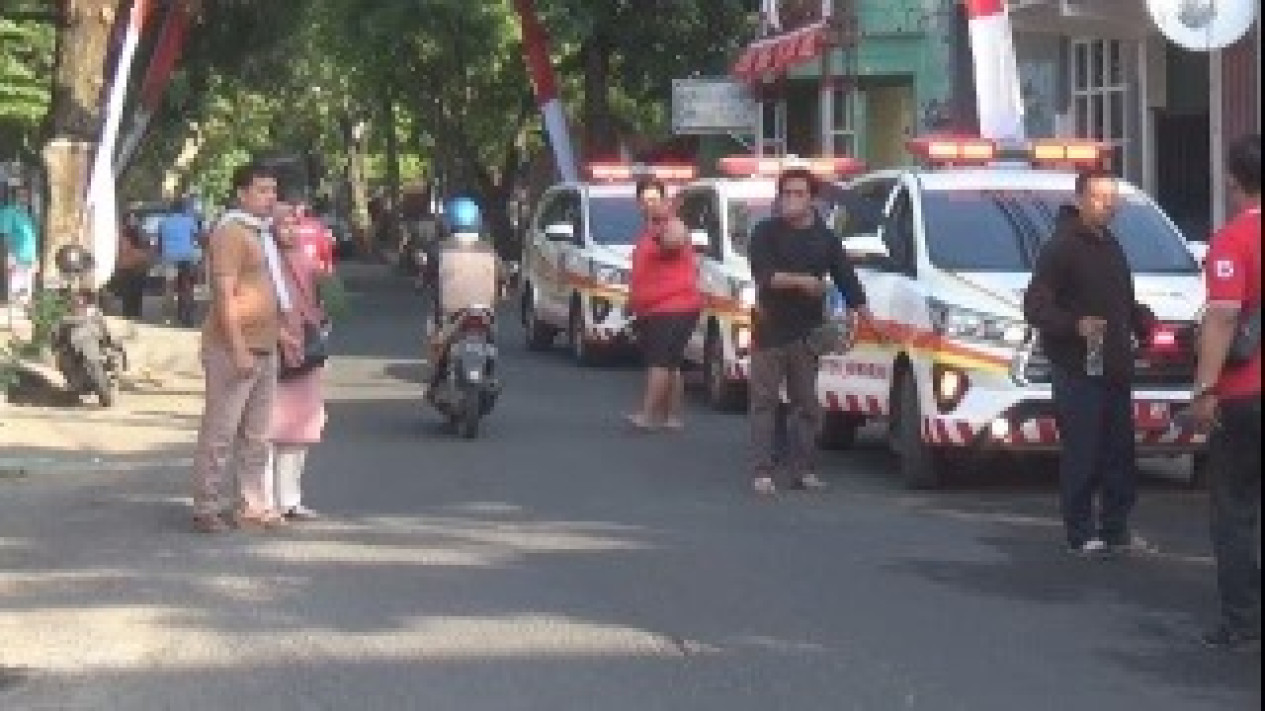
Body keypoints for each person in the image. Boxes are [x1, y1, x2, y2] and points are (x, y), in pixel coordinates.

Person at [1023, 168, 1157, 557]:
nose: (1108, 205)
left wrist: (1139, 319)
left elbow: (1119, 299)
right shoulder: (1061, 246)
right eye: (1099, 197)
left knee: (1119, 451)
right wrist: (1074, 325)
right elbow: (1036, 306)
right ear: (1080, 199)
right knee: (1083, 450)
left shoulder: (1110, 243)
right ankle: (1080, 532)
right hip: (1077, 365)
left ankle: (1116, 527)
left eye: (1112, 198)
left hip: (1113, 363)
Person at [747, 167, 871, 495]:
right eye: (785, 193)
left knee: (806, 405)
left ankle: (803, 470)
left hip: (807, 334)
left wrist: (866, 315)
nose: (790, 200)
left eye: (798, 194)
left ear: (812, 199)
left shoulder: (826, 240)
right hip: (768, 329)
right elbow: (766, 276)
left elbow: (847, 279)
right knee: (764, 402)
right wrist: (803, 282)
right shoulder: (764, 233)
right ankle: (762, 471)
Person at [190, 161, 294, 533]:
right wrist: (237, 348)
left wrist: (281, 332)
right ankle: (207, 505)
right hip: (232, 347)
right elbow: (224, 294)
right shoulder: (231, 233)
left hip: (264, 346)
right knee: (221, 430)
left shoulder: (261, 233)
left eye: (273, 191)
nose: (270, 198)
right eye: (262, 191)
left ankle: (252, 504)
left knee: (258, 434)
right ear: (242, 194)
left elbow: (266, 289)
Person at [1187, 134, 1260, 652]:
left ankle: (1241, 621)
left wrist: (1204, 389)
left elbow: (1224, 315)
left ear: (1233, 180)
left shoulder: (1233, 241)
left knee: (1234, 509)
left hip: (1245, 394)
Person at [266, 200, 328, 521]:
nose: (289, 231)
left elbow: (333, 303)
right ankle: (263, 501)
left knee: (301, 430)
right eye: (282, 225)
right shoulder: (264, 263)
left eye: (293, 224)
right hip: (272, 353)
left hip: (307, 353)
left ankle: (290, 499)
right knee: (266, 430)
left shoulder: (306, 261)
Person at [626, 176, 702, 431]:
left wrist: (661, 226)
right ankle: (671, 417)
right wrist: (632, 300)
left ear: (665, 201)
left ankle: (647, 416)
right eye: (645, 199)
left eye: (655, 199)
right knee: (670, 364)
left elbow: (674, 242)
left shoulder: (673, 225)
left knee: (659, 362)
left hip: (673, 306)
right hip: (654, 308)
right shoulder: (647, 231)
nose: (650, 204)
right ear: (638, 203)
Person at [425, 196, 500, 394]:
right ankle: (487, 373)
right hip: (484, 312)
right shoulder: (489, 249)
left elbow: (428, 276)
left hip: (450, 313)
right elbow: (503, 277)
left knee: (434, 333)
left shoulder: (439, 249)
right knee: (492, 335)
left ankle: (437, 373)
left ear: (449, 221)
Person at [158, 197, 204, 326]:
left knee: (169, 287)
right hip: (186, 257)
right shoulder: (189, 221)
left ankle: (168, 317)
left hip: (169, 257)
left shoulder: (164, 222)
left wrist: (161, 256)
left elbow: (160, 242)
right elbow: (197, 237)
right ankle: (187, 316)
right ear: (183, 209)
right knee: (187, 286)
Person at [0, 185, 39, 325]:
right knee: (16, 290)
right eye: (21, 195)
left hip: (29, 259)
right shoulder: (8, 212)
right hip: (17, 258)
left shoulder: (26, 214)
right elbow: (4, 235)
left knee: (27, 292)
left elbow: (31, 238)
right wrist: (9, 255)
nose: (24, 198)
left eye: (26, 196)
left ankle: (23, 320)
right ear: (13, 196)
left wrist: (36, 258)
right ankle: (15, 323)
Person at [109, 212, 151, 320]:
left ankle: (135, 313)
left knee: (137, 290)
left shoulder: (140, 232)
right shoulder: (121, 233)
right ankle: (128, 313)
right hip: (126, 265)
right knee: (127, 290)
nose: (132, 221)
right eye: (130, 219)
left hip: (138, 265)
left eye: (134, 219)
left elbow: (147, 246)